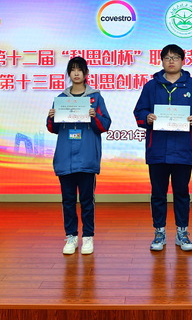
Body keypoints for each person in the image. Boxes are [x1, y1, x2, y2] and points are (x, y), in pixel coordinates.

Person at [133, 44, 192, 252]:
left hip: (184, 149)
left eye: (175, 57)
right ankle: (159, 232)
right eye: (167, 57)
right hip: (157, 149)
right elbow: (139, 111)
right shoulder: (151, 86)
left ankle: (182, 232)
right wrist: (146, 117)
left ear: (182, 61)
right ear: (161, 61)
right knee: (158, 193)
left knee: (182, 193)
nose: (171, 61)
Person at [46, 56, 111, 255]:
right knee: (67, 200)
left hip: (87, 156)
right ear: (69, 73)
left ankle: (88, 237)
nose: (76, 73)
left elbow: (105, 125)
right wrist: (51, 117)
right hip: (65, 157)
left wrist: (94, 116)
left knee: (87, 200)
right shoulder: (61, 98)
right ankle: (71, 237)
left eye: (80, 69)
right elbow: (53, 128)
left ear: (86, 73)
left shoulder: (96, 98)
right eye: (72, 69)